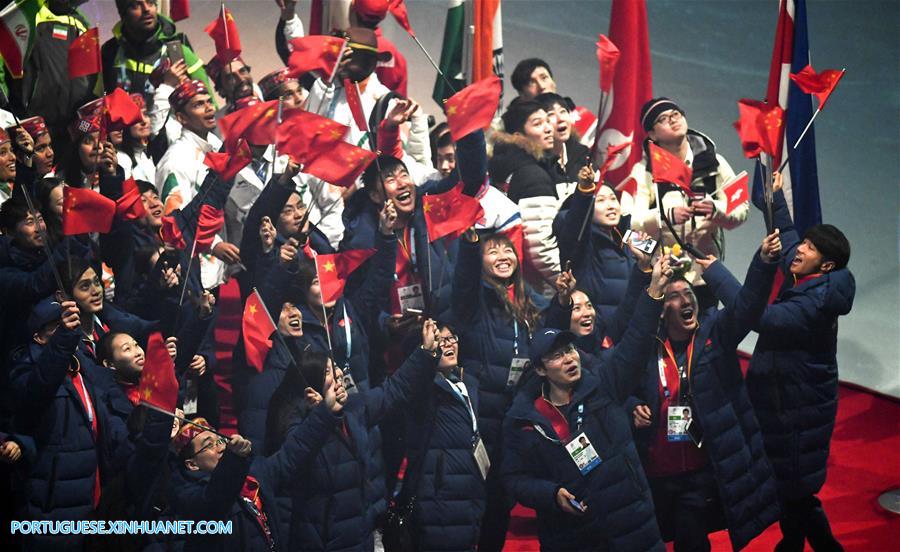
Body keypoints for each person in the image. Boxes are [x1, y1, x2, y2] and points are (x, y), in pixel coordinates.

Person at [500, 255, 673, 551]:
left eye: (570, 349)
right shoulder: (525, 420)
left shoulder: (604, 384)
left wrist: (654, 290)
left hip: (630, 522)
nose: (569, 358)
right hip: (572, 535)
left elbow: (635, 342)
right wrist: (551, 494)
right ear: (540, 370)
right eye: (557, 355)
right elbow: (514, 479)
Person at [627, 231, 784, 551]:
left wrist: (763, 263)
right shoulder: (646, 345)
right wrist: (632, 405)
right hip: (654, 474)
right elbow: (621, 383)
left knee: (691, 540)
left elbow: (748, 306)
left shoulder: (716, 332)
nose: (685, 300)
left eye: (688, 293)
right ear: (661, 310)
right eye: (674, 296)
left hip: (697, 475)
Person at [746, 175, 855, 552]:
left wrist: (715, 271)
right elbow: (788, 233)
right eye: (806, 243)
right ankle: (791, 545)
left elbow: (760, 319)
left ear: (825, 266)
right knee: (789, 489)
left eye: (810, 248)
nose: (800, 249)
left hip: (796, 414)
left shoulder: (811, 305)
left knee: (795, 493)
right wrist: (774, 194)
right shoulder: (814, 280)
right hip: (789, 405)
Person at [284, 319, 442, 550]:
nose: (339, 374)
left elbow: (394, 389)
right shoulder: (298, 430)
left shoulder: (355, 408)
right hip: (328, 542)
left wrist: (425, 352)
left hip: (365, 533)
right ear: (310, 388)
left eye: (335, 367)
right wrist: (322, 415)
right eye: (328, 371)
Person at [8, 298, 132, 552]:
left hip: (92, 495)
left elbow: (112, 416)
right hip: (52, 503)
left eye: (69, 324)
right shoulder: (25, 369)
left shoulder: (84, 367)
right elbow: (39, 388)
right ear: (39, 337)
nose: (67, 329)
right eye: (56, 326)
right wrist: (64, 337)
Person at [452, 228, 543, 551]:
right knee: (475, 500)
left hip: (512, 417)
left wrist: (562, 300)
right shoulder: (473, 300)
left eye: (508, 250)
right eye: (493, 252)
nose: (503, 257)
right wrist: (470, 245)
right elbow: (463, 279)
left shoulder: (527, 299)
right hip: (481, 417)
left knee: (500, 502)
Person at [629, 97, 747, 309]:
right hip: (664, 275)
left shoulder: (715, 163)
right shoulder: (644, 172)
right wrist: (666, 216)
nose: (673, 120)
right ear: (652, 134)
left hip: (706, 273)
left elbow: (741, 210)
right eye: (663, 119)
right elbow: (632, 223)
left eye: (676, 114)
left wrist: (716, 210)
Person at [401, 323, 487, 551]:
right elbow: (414, 377)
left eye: (451, 338)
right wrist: (424, 356)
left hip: (468, 491)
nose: (448, 345)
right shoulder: (423, 391)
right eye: (440, 341)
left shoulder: (466, 384)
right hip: (437, 497)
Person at [155, 80, 236, 290]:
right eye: (198, 105)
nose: (209, 108)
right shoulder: (175, 160)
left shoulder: (216, 147)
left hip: (217, 268)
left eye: (209, 102)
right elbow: (176, 221)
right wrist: (213, 244)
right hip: (194, 274)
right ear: (181, 118)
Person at [490, 99, 572, 291]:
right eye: (537, 123)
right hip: (541, 288)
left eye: (547, 121)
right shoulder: (532, 174)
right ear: (518, 136)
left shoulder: (509, 166)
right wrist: (567, 285)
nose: (548, 128)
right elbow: (540, 247)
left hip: (519, 281)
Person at [554, 164, 638, 323]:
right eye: (601, 200)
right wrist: (585, 191)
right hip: (597, 332)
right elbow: (575, 224)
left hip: (628, 330)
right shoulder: (581, 243)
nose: (611, 206)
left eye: (613, 199)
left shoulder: (626, 238)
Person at [10, 0, 96, 150]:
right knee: (36, 170)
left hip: (72, 125)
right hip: (34, 125)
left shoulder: (82, 23)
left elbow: (92, 74)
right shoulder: (29, 14)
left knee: (68, 171)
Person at [101, 0, 213, 97]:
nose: (146, 9)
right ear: (123, 14)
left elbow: (209, 111)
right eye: (135, 5)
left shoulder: (178, 53)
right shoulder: (110, 52)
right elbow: (97, 104)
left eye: (150, 2)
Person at [534, 92, 589, 185]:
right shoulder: (536, 164)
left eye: (563, 111)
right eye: (551, 114)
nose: (560, 119)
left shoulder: (582, 154)